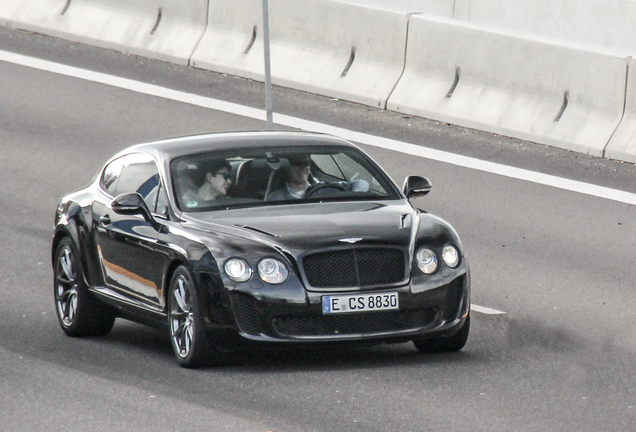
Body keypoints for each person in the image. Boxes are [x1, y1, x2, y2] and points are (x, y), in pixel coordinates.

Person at [266, 154, 368, 201]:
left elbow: (362, 184)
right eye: (297, 163)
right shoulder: (275, 199)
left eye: (306, 163)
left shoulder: (325, 190)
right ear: (287, 167)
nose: (303, 168)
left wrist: (354, 197)